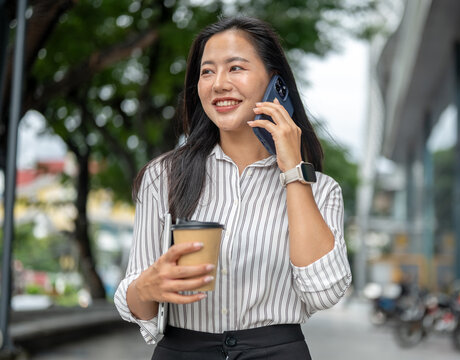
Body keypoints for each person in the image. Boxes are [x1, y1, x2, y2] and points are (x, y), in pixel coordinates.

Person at [114, 16, 352, 360]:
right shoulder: (163, 176)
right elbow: (141, 309)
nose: (219, 84)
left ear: (276, 83)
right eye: (207, 72)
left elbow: (323, 291)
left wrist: (293, 171)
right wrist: (147, 286)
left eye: (235, 67)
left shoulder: (320, 190)